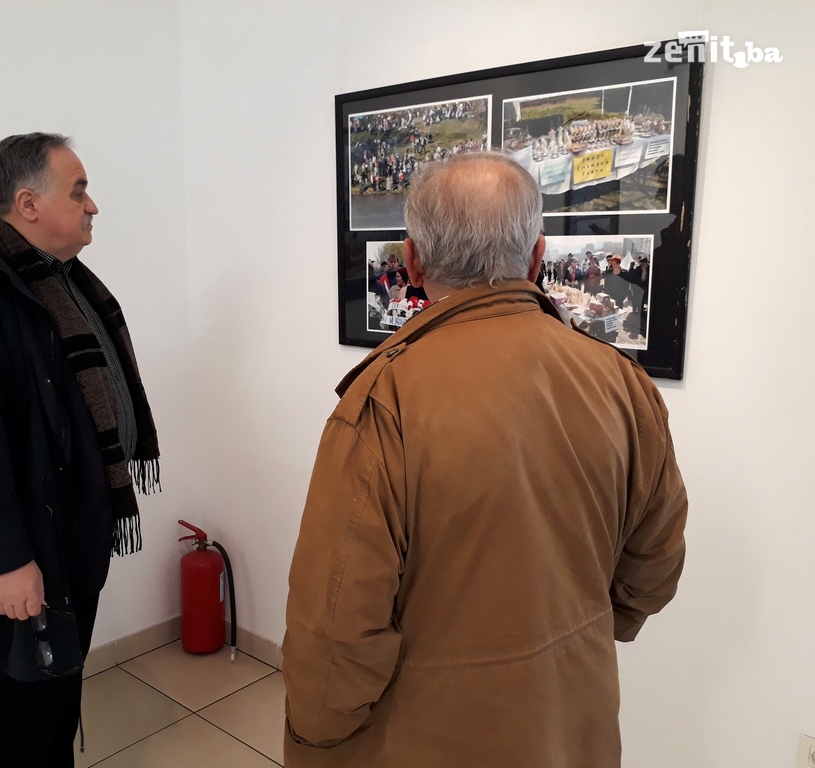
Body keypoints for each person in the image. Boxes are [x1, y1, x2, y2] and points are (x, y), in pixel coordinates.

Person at [282, 152, 688, 767]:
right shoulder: (622, 383)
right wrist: (586, 635)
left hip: (427, 736)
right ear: (535, 257)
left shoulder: (385, 402)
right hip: (572, 721)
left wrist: (313, 736)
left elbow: (336, 627)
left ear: (412, 262)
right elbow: (655, 564)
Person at [0, 132, 160, 768]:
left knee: (52, 705)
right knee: (17, 720)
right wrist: (7, 561)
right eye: (78, 192)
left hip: (66, 537)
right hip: (21, 555)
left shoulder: (59, 279)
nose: (92, 205)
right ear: (27, 202)